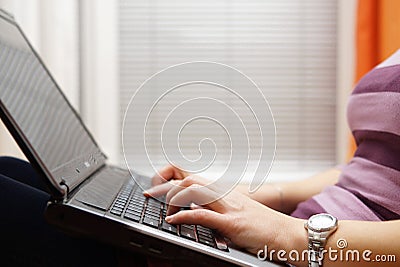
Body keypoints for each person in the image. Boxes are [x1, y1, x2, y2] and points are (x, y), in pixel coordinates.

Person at [1, 49, 399, 266]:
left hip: (322, 257)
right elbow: (368, 168)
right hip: (297, 236)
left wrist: (283, 236)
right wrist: (255, 199)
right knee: (11, 170)